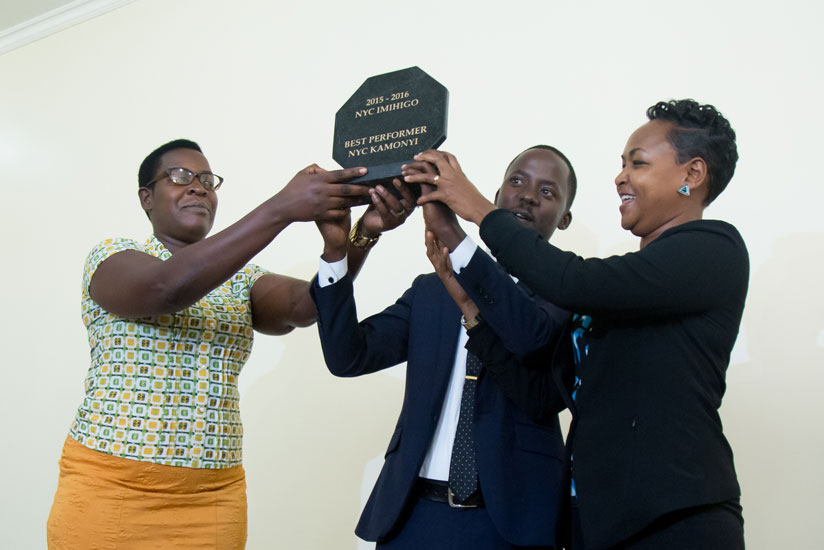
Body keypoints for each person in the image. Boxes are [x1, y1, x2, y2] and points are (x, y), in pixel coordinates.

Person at [46, 138, 418, 549]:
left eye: (207, 180)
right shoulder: (114, 257)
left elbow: (307, 306)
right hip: (112, 490)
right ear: (146, 197)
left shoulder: (242, 280)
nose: (198, 187)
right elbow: (167, 287)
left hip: (212, 498)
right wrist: (280, 209)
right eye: (181, 177)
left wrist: (354, 238)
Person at [412, 99, 748, 549]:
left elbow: (571, 280)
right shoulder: (626, 289)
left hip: (675, 522)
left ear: (692, 175)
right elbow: (539, 396)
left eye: (639, 163)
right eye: (622, 164)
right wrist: (468, 306)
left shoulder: (714, 250)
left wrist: (475, 208)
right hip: (593, 524)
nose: (621, 177)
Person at [310, 145, 578, 549]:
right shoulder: (431, 290)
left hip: (510, 520)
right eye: (517, 181)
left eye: (547, 192)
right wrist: (339, 251)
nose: (526, 195)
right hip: (412, 515)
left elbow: (527, 337)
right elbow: (349, 356)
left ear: (565, 218)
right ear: (496, 192)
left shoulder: (565, 286)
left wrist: (454, 235)